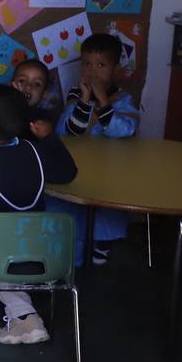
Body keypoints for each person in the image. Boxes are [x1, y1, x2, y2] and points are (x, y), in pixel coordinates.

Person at [0, 82, 78, 346]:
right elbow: (68, 173)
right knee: (5, 257)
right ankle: (27, 318)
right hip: (40, 255)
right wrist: (48, 138)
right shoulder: (35, 151)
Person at [56, 33, 140, 265]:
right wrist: (84, 101)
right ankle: (76, 248)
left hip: (110, 167)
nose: (92, 71)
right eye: (87, 64)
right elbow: (66, 131)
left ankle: (101, 243)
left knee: (106, 205)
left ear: (115, 68)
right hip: (79, 164)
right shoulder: (75, 96)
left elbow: (124, 130)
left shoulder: (123, 99)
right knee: (72, 206)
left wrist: (103, 102)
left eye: (101, 64)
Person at [10, 58, 60, 139]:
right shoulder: (2, 107)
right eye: (22, 81)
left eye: (37, 84)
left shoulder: (43, 118)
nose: (28, 86)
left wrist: (47, 135)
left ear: (44, 94)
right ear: (12, 85)